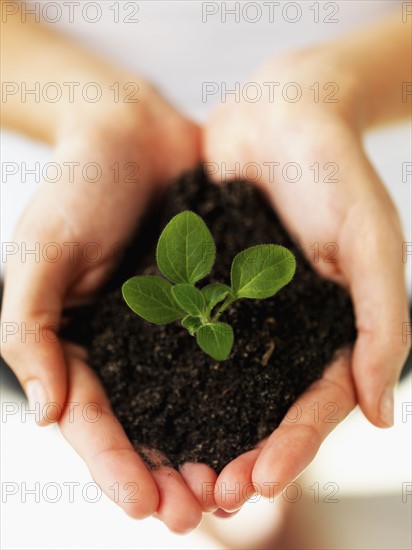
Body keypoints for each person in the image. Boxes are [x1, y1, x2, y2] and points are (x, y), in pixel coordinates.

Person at [1, 1, 410, 534]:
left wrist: (334, 86)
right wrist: (90, 107)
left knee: (330, 374)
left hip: (335, 179)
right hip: (61, 175)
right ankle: (232, 514)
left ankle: (283, 493)